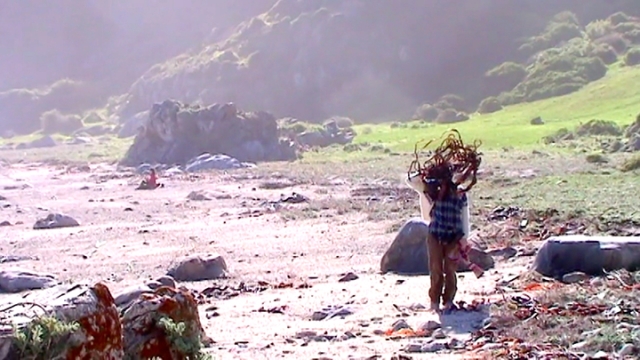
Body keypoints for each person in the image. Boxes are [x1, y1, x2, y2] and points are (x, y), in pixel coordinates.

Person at [424, 165, 468, 314]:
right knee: (435, 268)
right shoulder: (434, 192)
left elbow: (464, 216)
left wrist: (464, 238)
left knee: (450, 269)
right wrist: (429, 175)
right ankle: (434, 301)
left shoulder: (460, 194)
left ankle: (448, 300)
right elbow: (414, 182)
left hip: (453, 236)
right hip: (435, 234)